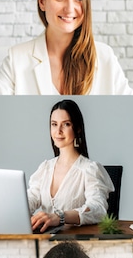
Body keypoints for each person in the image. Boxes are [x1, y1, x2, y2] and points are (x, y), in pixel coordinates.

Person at [0, 0, 132, 95]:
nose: (69, 8)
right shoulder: (16, 60)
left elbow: (129, 114)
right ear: (42, 1)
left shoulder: (105, 57)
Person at [28, 99, 115, 233]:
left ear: (78, 128)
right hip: (45, 238)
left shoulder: (90, 169)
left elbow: (97, 208)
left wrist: (60, 217)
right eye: (54, 124)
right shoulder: (45, 168)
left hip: (75, 239)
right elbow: (31, 198)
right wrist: (17, 212)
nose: (58, 131)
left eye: (66, 124)